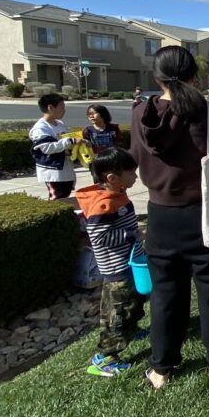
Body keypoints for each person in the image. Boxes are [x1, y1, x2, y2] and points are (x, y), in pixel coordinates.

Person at [131, 46, 209, 389]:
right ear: (195, 76)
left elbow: (135, 155)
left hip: (160, 214)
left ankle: (161, 368)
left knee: (165, 292)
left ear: (156, 77)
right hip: (205, 211)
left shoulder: (140, 114)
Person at [74, 148, 146, 377]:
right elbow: (99, 237)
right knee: (117, 312)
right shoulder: (103, 204)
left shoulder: (117, 194)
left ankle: (131, 329)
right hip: (116, 269)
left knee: (132, 305)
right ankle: (105, 358)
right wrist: (132, 235)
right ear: (112, 178)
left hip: (127, 263)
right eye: (132, 173)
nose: (136, 177)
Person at [29, 93, 83, 200]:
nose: (64, 110)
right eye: (62, 107)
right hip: (52, 170)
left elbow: (67, 142)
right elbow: (47, 148)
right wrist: (70, 141)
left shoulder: (60, 123)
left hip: (65, 167)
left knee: (65, 194)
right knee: (57, 197)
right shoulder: (40, 128)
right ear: (50, 108)